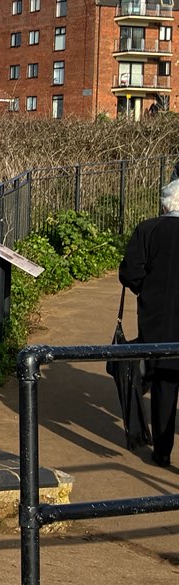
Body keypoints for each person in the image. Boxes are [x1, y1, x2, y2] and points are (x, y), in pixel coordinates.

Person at [120, 179, 179, 468]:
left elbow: (130, 274)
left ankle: (162, 451)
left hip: (159, 319)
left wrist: (149, 289)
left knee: (163, 383)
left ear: (165, 205)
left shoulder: (148, 229)